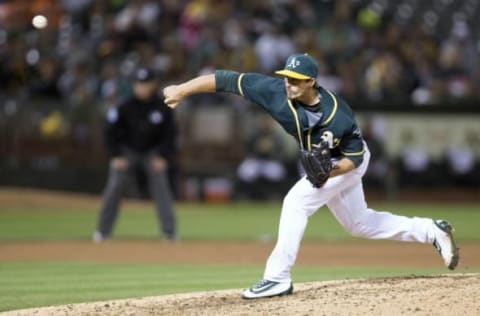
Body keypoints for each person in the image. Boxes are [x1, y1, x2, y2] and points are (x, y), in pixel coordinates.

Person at [162, 54, 459, 299]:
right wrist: (181, 90)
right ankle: (432, 230)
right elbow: (224, 80)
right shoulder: (273, 91)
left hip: (346, 162)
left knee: (295, 202)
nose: (288, 84)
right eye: (287, 77)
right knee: (359, 223)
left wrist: (328, 170)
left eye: (296, 80)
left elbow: (355, 158)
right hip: (328, 163)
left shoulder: (338, 115)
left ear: (312, 82)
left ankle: (277, 277)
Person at [94, 67, 177, 242]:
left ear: (153, 84)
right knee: (115, 184)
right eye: (138, 84)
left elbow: (170, 135)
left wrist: (163, 156)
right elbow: (109, 133)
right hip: (127, 152)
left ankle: (169, 232)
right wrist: (115, 155)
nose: (141, 87)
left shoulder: (163, 107)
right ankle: (102, 231)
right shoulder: (123, 107)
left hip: (152, 153)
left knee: (161, 183)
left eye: (145, 84)